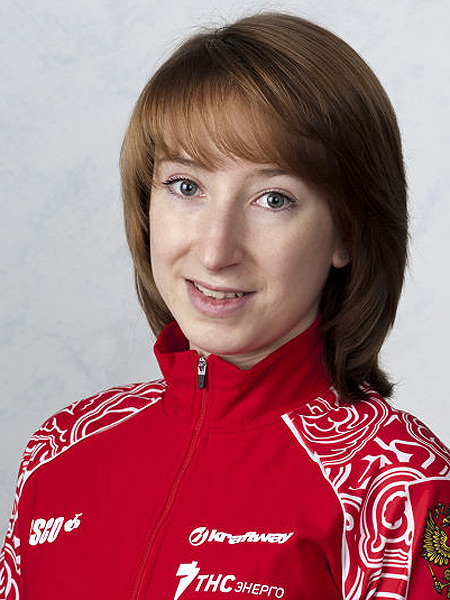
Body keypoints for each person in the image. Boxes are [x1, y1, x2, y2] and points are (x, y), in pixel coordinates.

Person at [1, 11, 449, 600]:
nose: (215, 252)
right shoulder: (61, 447)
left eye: (273, 199)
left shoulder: (400, 486)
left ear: (347, 232)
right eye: (186, 187)